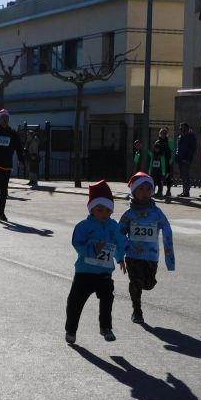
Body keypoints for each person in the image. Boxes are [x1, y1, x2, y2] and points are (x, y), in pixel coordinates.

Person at [65, 180, 126, 344]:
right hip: (85, 272)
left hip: (104, 272)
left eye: (108, 210)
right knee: (75, 302)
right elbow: (77, 244)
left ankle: (106, 327)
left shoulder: (114, 226)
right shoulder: (83, 226)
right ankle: (71, 329)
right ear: (92, 209)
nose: (104, 213)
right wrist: (93, 250)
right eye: (100, 210)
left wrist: (120, 258)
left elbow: (119, 243)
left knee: (107, 298)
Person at [118, 172, 175, 324]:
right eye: (141, 189)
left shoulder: (157, 212)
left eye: (148, 189)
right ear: (134, 191)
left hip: (151, 255)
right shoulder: (129, 214)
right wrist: (125, 246)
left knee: (148, 284)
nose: (145, 192)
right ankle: (137, 310)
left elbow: (167, 230)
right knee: (135, 282)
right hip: (132, 255)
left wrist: (170, 259)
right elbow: (119, 232)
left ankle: (141, 290)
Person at [174, 122, 196, 197]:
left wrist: (188, 158)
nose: (180, 128)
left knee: (186, 175)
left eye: (182, 127)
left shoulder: (191, 137)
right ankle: (184, 190)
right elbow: (178, 148)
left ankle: (186, 191)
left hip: (186, 159)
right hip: (180, 159)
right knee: (182, 175)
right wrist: (177, 156)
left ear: (186, 128)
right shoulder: (180, 137)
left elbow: (192, 149)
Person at [155, 128, 175, 197]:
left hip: (167, 161)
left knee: (167, 176)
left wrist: (170, 161)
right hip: (159, 162)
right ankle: (159, 190)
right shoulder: (157, 142)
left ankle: (168, 190)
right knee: (159, 176)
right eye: (162, 133)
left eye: (165, 133)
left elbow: (173, 152)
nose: (163, 134)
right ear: (160, 134)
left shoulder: (169, 142)